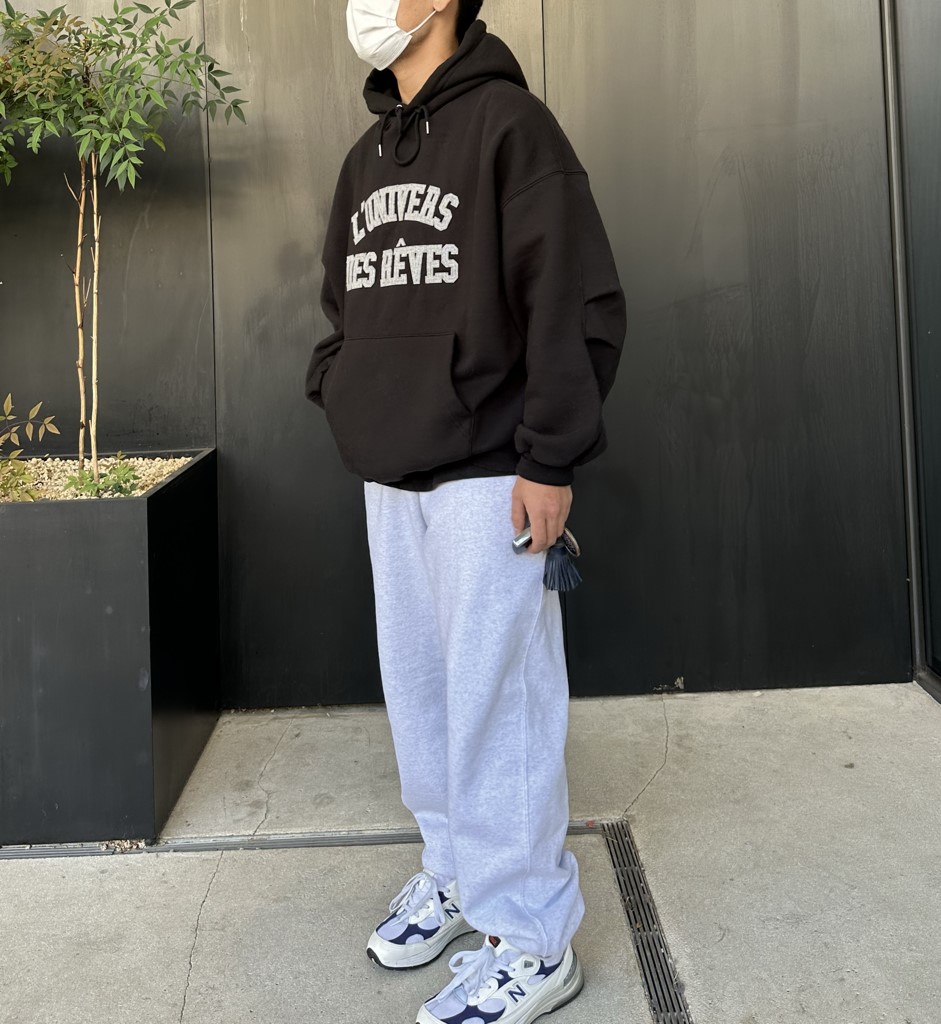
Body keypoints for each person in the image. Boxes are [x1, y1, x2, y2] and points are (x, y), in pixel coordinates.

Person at [304, 2, 627, 1021]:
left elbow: (572, 299)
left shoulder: (513, 129)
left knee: (501, 705)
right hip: (391, 475)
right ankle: (455, 874)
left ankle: (532, 938)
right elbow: (343, 308)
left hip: (493, 472)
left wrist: (550, 457)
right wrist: (346, 392)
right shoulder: (366, 158)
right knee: (424, 698)